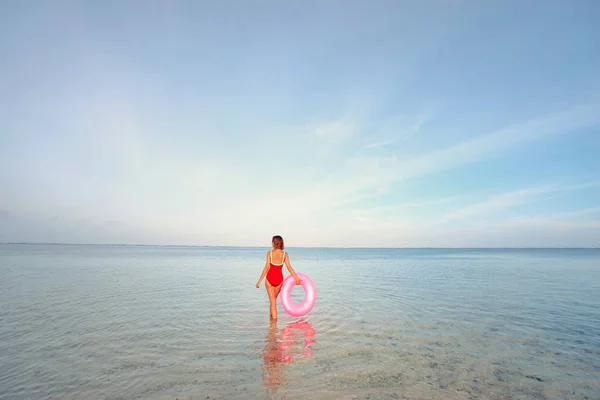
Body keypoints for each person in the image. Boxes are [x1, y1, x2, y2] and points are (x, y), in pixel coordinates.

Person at [256, 235, 302, 319]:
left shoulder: (269, 253)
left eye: (272, 241)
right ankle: (271, 322)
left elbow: (266, 267)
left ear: (274, 243)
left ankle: (273, 327)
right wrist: (297, 278)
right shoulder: (285, 254)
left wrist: (259, 281)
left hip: (270, 279)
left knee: (272, 303)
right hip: (279, 280)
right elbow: (289, 267)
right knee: (273, 302)